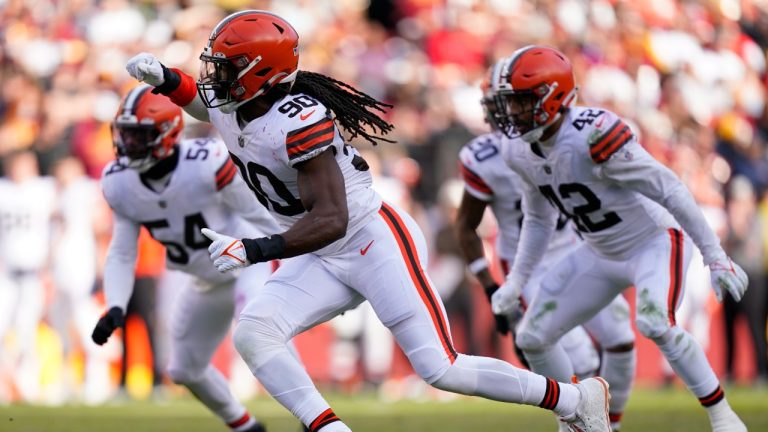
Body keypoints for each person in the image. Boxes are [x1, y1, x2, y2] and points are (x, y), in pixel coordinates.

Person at [125, 10, 612, 432]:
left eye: (227, 68)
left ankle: (576, 400)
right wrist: (165, 79)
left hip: (369, 240)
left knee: (441, 368)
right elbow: (202, 103)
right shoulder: (236, 104)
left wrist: (253, 249)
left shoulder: (297, 118)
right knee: (255, 331)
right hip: (320, 252)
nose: (215, 77)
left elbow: (332, 219)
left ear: (261, 74)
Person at [486, 45, 749, 432]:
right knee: (533, 336)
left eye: (522, 102)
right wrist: (517, 281)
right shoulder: (518, 150)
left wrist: (715, 256)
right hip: (599, 249)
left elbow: (669, 189)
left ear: (552, 97)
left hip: (653, 241)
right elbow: (538, 220)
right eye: (510, 102)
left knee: (655, 323)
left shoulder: (593, 135)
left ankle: (723, 416)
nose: (512, 113)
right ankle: (579, 421)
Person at [90, 85, 280, 432]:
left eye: (137, 136)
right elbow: (121, 250)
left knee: (256, 334)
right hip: (206, 280)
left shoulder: (205, 161)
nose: (127, 144)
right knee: (182, 370)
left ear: (166, 133)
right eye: (125, 134)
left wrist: (293, 248)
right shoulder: (119, 182)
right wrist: (115, 305)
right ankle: (247, 427)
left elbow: (257, 214)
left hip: (245, 260)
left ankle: (313, 417)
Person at [456, 74, 636, 431]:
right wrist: (491, 286)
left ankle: (610, 426)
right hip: (530, 265)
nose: (506, 112)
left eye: (514, 102)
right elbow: (465, 225)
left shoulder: (565, 137)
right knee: (580, 358)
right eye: (501, 104)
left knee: (621, 339)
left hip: (578, 249)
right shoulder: (484, 157)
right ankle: (581, 427)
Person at [0, 150, 56, 402]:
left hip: (32, 273)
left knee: (27, 331)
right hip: (5, 272)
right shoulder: (4, 191)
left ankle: (27, 384)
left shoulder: (43, 190)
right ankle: (6, 384)